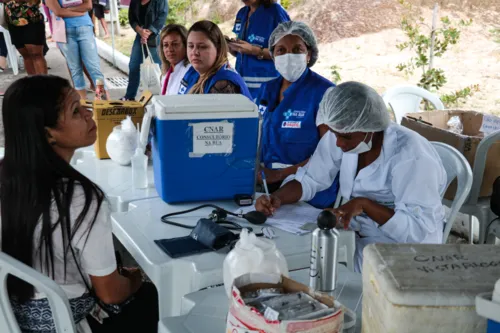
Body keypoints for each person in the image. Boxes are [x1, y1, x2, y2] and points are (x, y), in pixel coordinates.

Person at [0, 75, 159, 333]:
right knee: (151, 295)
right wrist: (137, 278)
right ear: (48, 134)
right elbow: (110, 294)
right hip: (68, 323)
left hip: (10, 318)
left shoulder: (8, 177)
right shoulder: (79, 197)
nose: (88, 113)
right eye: (76, 111)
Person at [255, 81, 447, 272]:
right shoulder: (345, 131)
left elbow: (416, 230)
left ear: (370, 127)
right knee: (299, 259)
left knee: (324, 274)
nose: (338, 143)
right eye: (334, 133)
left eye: (345, 137)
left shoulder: (411, 156)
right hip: (362, 235)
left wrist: (364, 205)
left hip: (407, 253)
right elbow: (311, 177)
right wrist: (277, 198)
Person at [255, 21, 338, 209]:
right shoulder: (266, 90)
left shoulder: (325, 93)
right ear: (273, 55)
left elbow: (330, 154)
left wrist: (281, 174)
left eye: (297, 49)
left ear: (309, 54)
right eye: (281, 50)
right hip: (265, 184)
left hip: (309, 189)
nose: (289, 56)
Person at [46, 0, 108, 99]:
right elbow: (58, 12)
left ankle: (103, 101)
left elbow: (88, 5)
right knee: (75, 69)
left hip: (85, 28)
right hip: (64, 32)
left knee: (94, 68)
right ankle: (83, 103)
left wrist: (66, 10)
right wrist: (79, 11)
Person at [229, 0, 289, 98]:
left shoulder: (276, 12)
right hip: (243, 86)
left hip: (267, 86)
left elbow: (286, 53)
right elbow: (243, 54)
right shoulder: (242, 13)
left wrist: (255, 50)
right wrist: (230, 46)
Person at [179, 20, 251, 98]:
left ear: (218, 49)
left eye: (203, 47)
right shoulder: (193, 72)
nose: (195, 52)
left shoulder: (223, 82)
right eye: (191, 46)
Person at [121, 0, 168, 101]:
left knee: (157, 67)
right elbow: (132, 18)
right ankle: (129, 97)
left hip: (156, 36)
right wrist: (140, 31)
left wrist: (148, 32)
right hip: (141, 35)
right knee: (134, 65)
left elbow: (162, 17)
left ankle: (161, 98)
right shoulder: (134, 1)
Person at [4, 0, 48, 75]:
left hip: (32, 18)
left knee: (36, 54)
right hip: (13, 20)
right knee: (26, 55)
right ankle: (31, 84)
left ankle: (43, 85)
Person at [159, 23, 191, 95]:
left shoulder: (190, 71)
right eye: (166, 45)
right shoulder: (166, 72)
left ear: (186, 46)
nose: (170, 49)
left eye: (175, 44)